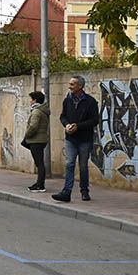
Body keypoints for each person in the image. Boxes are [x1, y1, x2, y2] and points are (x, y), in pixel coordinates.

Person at [52, 75, 98, 203]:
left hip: (85, 139)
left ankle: (84, 190)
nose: (70, 86)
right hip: (70, 138)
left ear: (80, 86)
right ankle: (66, 192)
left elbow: (94, 120)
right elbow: (63, 116)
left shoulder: (90, 102)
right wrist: (66, 124)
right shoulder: (67, 100)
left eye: (72, 84)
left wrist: (78, 126)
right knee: (69, 164)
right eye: (70, 84)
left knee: (83, 165)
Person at [22, 90, 50, 192]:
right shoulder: (43, 111)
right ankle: (39, 183)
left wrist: (26, 135)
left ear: (35, 100)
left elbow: (33, 126)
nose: (30, 101)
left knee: (39, 163)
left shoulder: (36, 112)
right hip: (41, 140)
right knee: (40, 163)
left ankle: (40, 185)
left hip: (36, 140)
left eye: (31, 99)